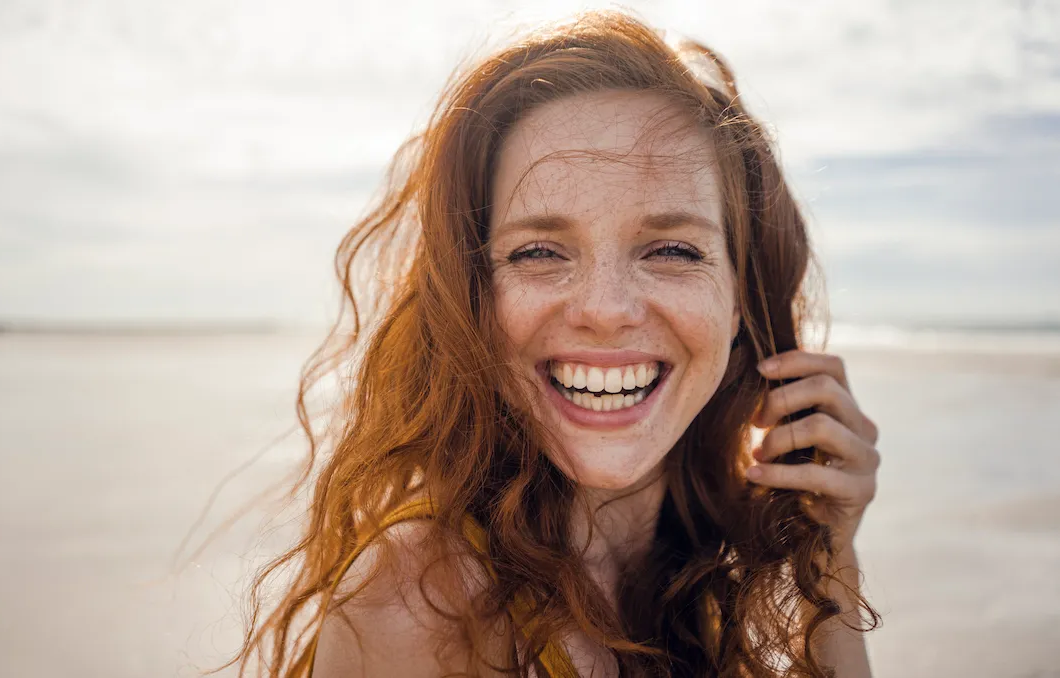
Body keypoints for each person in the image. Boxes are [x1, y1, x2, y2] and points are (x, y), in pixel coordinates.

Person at [231, 9, 880, 678]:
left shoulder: (699, 565)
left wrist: (828, 557)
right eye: (539, 251)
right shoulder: (417, 602)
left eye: (673, 250)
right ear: (472, 297)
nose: (605, 310)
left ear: (741, 297)